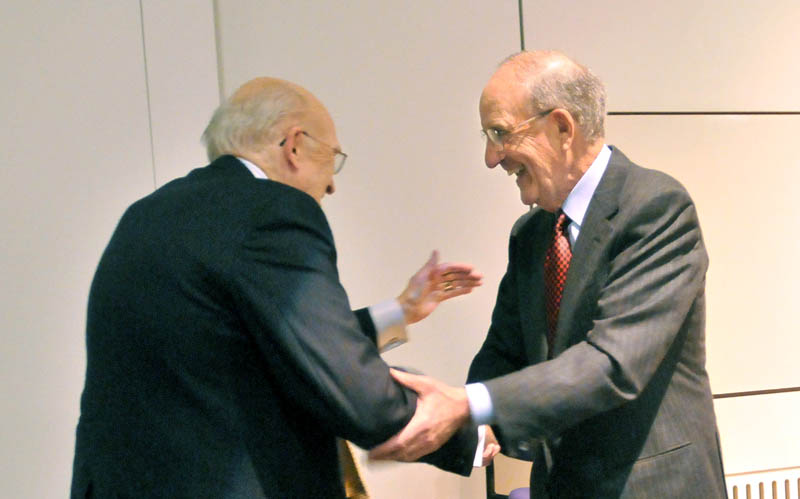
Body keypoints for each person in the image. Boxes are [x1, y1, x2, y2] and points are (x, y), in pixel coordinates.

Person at [70, 77, 484, 498]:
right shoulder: (273, 212)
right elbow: (337, 378)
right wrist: (469, 429)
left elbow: (247, 350)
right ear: (294, 144)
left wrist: (400, 311)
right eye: (333, 157)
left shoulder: (145, 215)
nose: (332, 185)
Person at [373, 50, 728, 498]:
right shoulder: (531, 233)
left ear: (562, 127)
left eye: (500, 133)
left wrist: (468, 405)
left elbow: (611, 364)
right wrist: (458, 425)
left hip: (654, 486)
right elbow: (505, 353)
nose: (490, 157)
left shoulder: (656, 207)